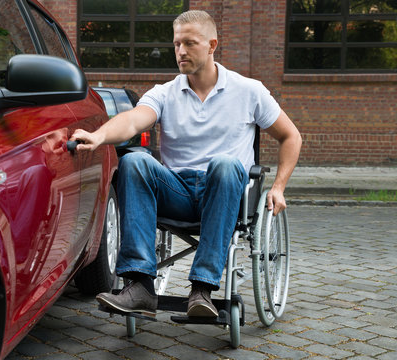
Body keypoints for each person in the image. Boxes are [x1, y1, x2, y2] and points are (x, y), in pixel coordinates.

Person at [70, 10, 302, 318]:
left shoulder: (249, 91)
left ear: (211, 45)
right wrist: (99, 136)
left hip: (223, 192)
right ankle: (139, 285)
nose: (181, 51)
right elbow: (133, 121)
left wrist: (279, 187)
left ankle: (202, 289)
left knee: (225, 164)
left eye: (190, 43)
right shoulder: (166, 93)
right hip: (177, 192)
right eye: (177, 43)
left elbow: (291, 136)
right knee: (135, 161)